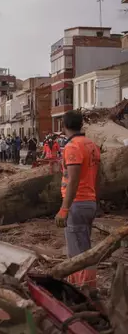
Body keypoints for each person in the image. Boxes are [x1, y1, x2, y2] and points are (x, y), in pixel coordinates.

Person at [54, 111, 100, 288]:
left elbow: (73, 180)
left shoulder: (73, 147)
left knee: (78, 252)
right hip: (89, 202)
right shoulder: (92, 145)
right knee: (84, 246)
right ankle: (84, 285)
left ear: (64, 126)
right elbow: (98, 177)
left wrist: (64, 209)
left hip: (77, 203)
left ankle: (85, 289)